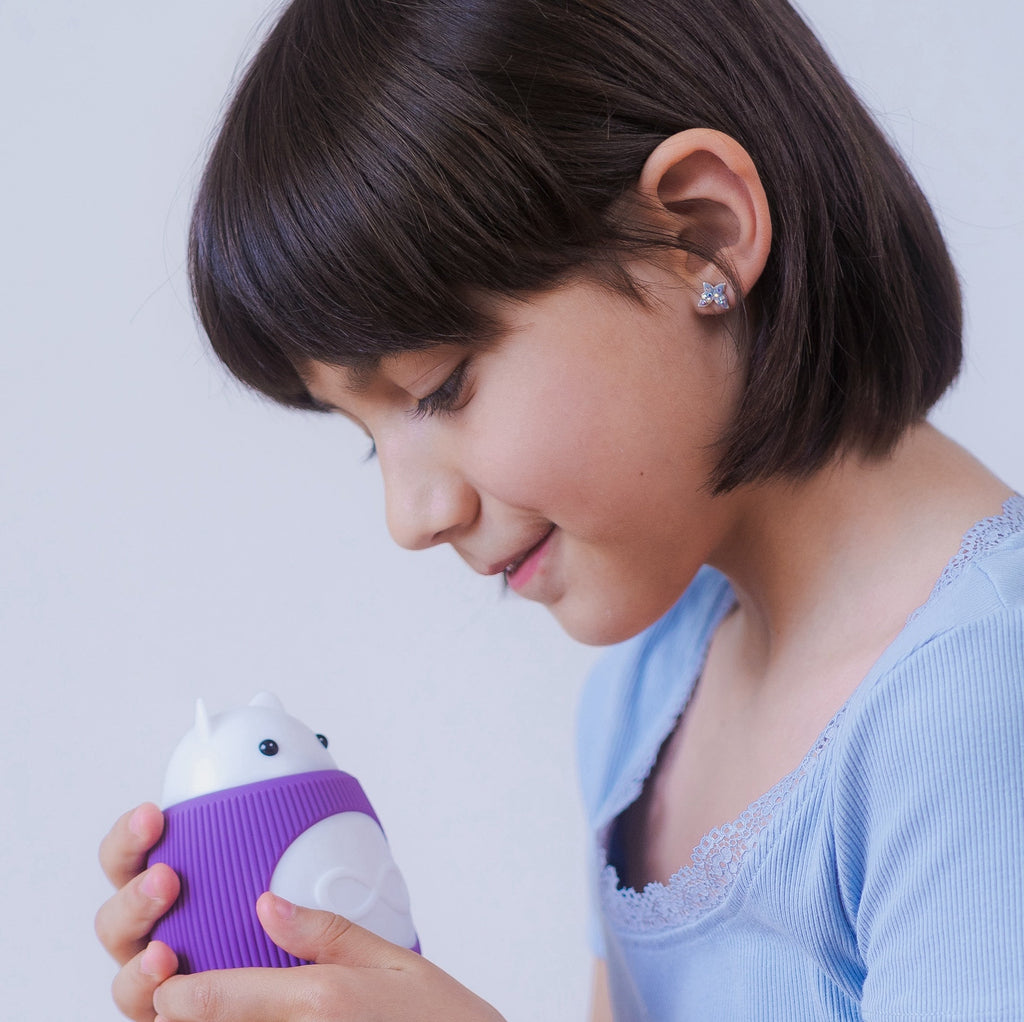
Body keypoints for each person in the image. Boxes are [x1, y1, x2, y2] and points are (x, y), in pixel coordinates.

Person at [95, 0, 1024, 1018]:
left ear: (700, 235)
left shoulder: (983, 701)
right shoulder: (649, 691)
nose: (411, 516)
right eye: (367, 435)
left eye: (438, 385)